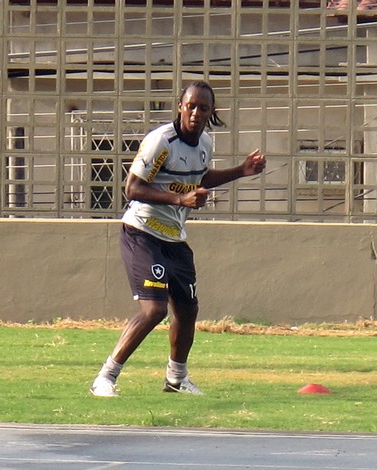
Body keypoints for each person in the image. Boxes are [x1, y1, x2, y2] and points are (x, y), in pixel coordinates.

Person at [90, 80, 267, 397]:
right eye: (191, 106)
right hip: (142, 233)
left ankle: (176, 379)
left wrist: (241, 170)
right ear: (180, 106)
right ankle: (105, 377)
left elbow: (200, 176)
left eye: (203, 107)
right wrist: (179, 200)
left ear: (212, 112)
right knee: (154, 310)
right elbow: (132, 189)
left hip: (174, 239)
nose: (196, 113)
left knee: (187, 309)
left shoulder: (205, 145)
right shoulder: (162, 142)